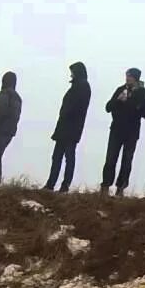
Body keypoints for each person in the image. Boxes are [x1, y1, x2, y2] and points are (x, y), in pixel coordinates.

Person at [101, 67, 145, 197]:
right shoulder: (120, 90)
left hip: (132, 132)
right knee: (111, 159)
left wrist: (138, 106)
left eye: (129, 76)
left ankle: (120, 188)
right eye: (126, 76)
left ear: (135, 78)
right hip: (116, 130)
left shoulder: (143, 94)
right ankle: (105, 187)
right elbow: (108, 107)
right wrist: (118, 100)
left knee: (127, 160)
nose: (127, 78)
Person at [46, 62, 91, 192]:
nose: (71, 74)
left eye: (73, 71)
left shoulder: (82, 86)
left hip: (71, 127)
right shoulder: (78, 86)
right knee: (57, 156)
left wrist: (66, 113)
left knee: (68, 156)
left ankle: (64, 185)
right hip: (65, 127)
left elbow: (76, 107)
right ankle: (51, 184)